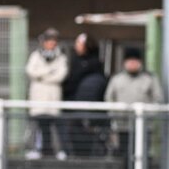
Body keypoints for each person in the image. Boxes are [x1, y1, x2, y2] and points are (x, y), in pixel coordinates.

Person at [104, 47, 164, 169]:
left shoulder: (149, 79)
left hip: (144, 126)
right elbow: (109, 99)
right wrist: (116, 114)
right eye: (129, 61)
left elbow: (158, 99)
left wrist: (147, 114)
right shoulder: (117, 79)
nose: (132, 64)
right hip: (123, 125)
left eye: (135, 61)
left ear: (140, 63)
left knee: (143, 155)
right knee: (126, 155)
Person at [25, 28, 69, 160]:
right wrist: (49, 71)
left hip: (53, 98)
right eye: (49, 41)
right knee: (39, 126)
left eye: (53, 41)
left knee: (56, 125)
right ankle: (39, 149)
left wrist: (41, 76)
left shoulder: (61, 57)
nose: (51, 44)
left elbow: (60, 76)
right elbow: (30, 71)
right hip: (38, 98)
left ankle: (61, 150)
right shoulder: (35, 55)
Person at [64, 33, 108, 156]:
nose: (76, 46)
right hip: (74, 108)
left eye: (79, 43)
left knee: (86, 136)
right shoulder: (76, 62)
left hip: (88, 110)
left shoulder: (93, 64)